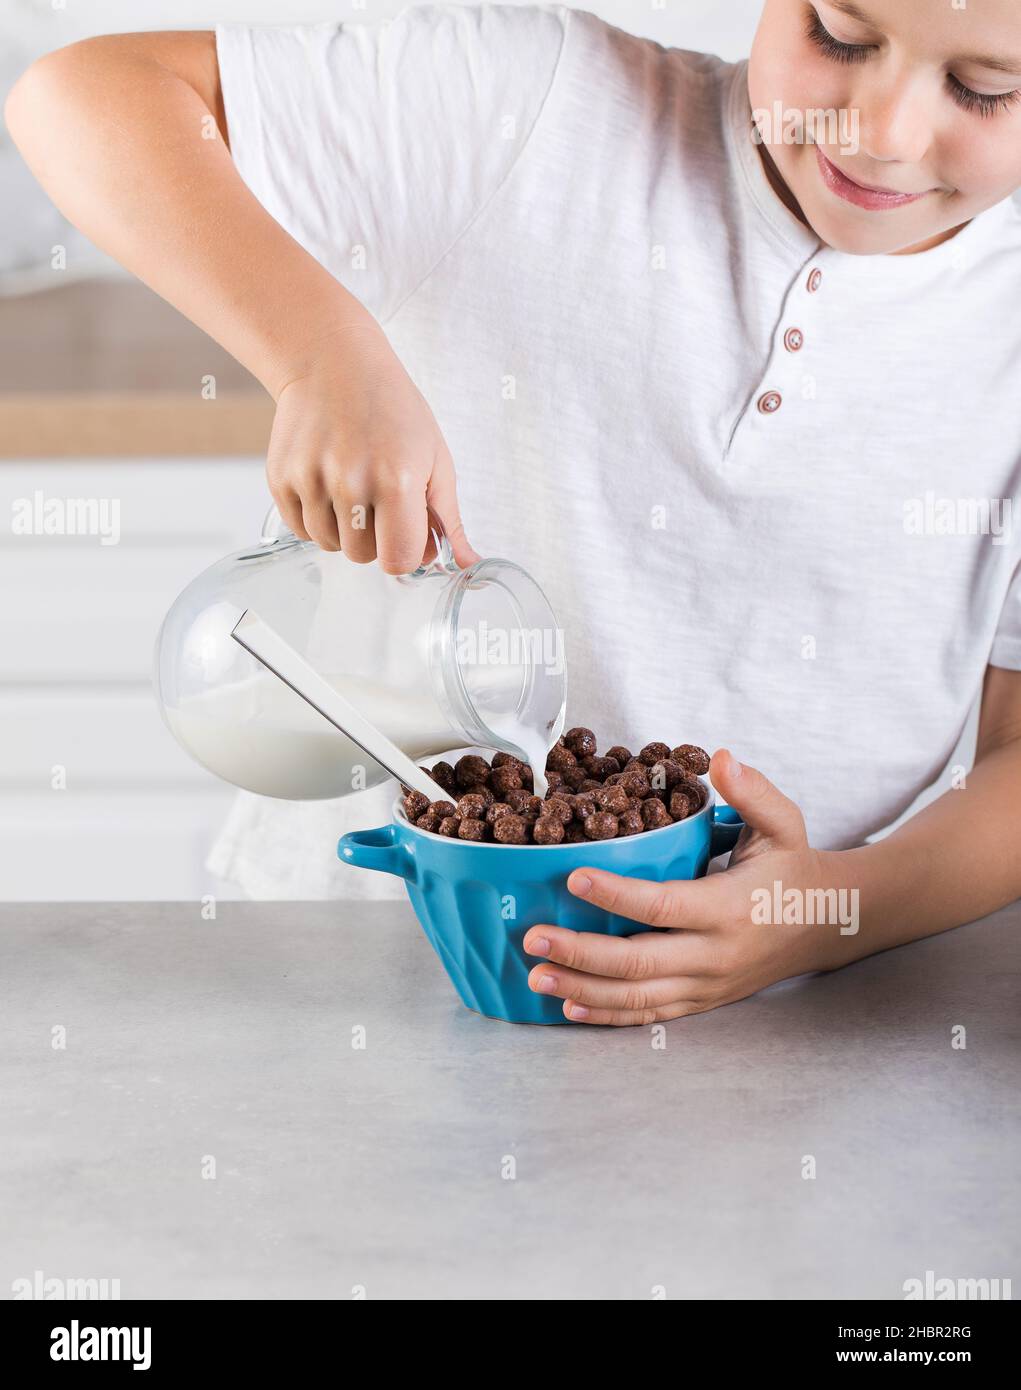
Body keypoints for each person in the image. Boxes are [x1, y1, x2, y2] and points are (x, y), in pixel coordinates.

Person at [8, 0, 1021, 1024]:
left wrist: (822, 911)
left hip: (799, 1032)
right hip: (354, 981)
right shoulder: (533, 106)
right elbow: (79, 98)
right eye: (838, 36)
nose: (881, 131)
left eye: (985, 88)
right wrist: (320, 354)